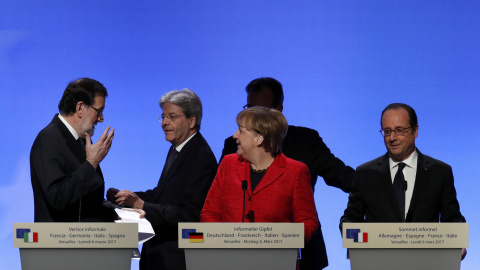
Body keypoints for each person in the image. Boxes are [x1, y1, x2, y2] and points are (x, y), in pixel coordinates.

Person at [220, 77, 355, 269]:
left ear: (279, 110)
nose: (252, 115)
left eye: (261, 109)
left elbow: (343, 176)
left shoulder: (306, 140)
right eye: (249, 108)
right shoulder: (233, 145)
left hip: (300, 254)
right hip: (242, 252)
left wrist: (381, 183)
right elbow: (216, 198)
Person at [107, 89, 217, 270]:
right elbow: (165, 194)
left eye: (172, 117)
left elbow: (189, 215)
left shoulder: (200, 157)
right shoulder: (179, 148)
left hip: (176, 260)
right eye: (163, 117)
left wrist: (142, 205)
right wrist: (128, 198)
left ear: (192, 121)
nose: (165, 123)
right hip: (160, 257)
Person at [340, 103, 466, 259]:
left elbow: (452, 218)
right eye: (387, 131)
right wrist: (358, 245)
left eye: (399, 130)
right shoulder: (366, 173)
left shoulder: (440, 172)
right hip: (377, 262)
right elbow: (350, 219)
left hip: (425, 262)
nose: (392, 138)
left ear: (415, 131)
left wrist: (457, 243)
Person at [201, 106, 319, 242]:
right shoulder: (228, 164)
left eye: (241, 131)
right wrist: (225, 239)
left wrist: (279, 239)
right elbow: (210, 213)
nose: (235, 136)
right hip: (228, 258)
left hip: (276, 259)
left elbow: (307, 222)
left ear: (259, 139)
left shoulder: (295, 171)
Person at [30, 78, 115, 222]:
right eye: (99, 111)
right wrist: (91, 163)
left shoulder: (80, 139)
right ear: (80, 108)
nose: (101, 119)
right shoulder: (48, 139)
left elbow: (83, 200)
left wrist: (119, 211)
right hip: (60, 241)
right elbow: (58, 198)